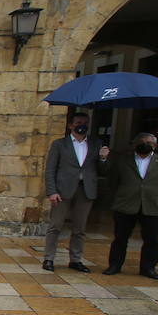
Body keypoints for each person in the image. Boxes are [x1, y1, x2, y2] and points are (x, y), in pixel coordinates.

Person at [41, 112, 110, 272]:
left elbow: (103, 170)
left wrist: (103, 158)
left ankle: (75, 259)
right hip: (63, 189)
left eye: (85, 122)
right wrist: (52, 191)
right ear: (71, 125)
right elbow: (50, 169)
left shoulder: (95, 144)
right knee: (55, 225)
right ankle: (49, 258)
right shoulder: (60, 144)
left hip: (85, 189)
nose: (82, 125)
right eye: (78, 122)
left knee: (79, 228)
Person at [103, 133, 158, 280]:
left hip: (153, 205)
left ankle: (148, 268)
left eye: (149, 142)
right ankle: (115, 265)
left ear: (155, 146)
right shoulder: (122, 160)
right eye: (142, 142)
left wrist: (155, 194)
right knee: (120, 238)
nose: (145, 144)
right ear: (135, 144)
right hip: (126, 203)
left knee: (152, 239)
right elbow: (112, 181)